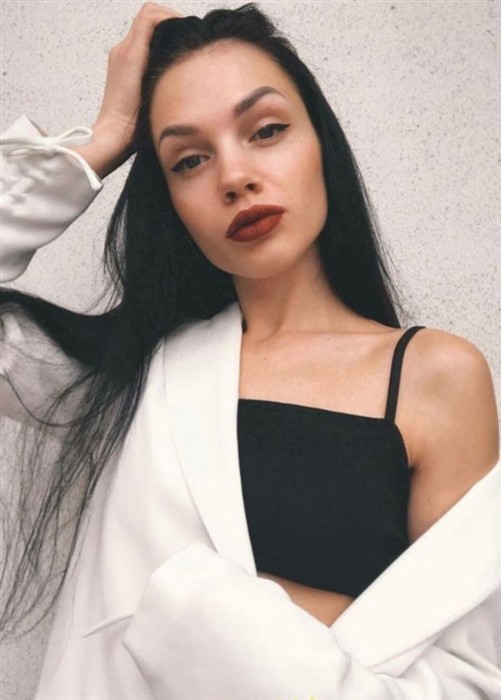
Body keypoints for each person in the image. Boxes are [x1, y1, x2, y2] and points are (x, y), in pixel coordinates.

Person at [1, 2, 499, 698]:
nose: (234, 176)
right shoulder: (129, 379)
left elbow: (469, 680)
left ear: (320, 142)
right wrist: (101, 141)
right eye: (189, 160)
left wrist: (221, 627)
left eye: (266, 130)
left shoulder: (434, 376)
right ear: (170, 202)